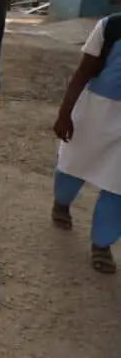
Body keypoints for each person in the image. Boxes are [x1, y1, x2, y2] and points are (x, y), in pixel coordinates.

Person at [52, 15, 121, 274]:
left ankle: (102, 244)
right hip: (95, 109)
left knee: (118, 186)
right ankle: (61, 203)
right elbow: (83, 72)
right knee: (73, 165)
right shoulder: (110, 27)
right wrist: (64, 113)